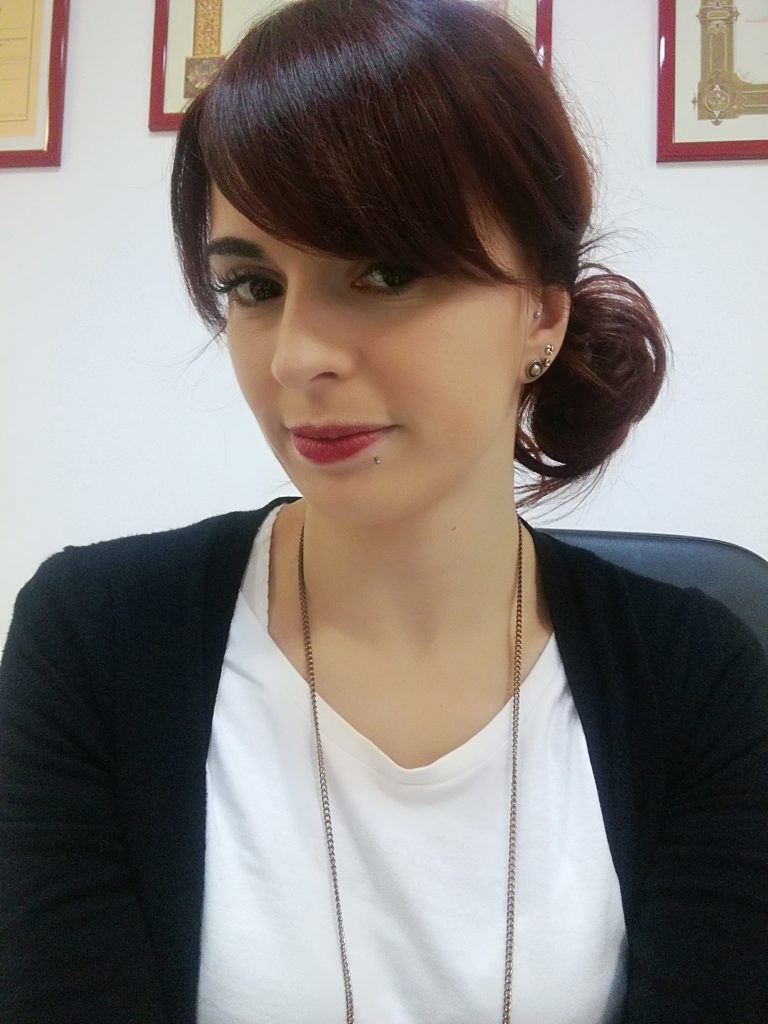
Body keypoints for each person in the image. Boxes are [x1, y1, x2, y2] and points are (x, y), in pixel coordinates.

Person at [1, 0, 766, 1021]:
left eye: (385, 271)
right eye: (254, 286)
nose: (295, 357)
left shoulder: (696, 679)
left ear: (541, 312)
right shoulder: (95, 641)